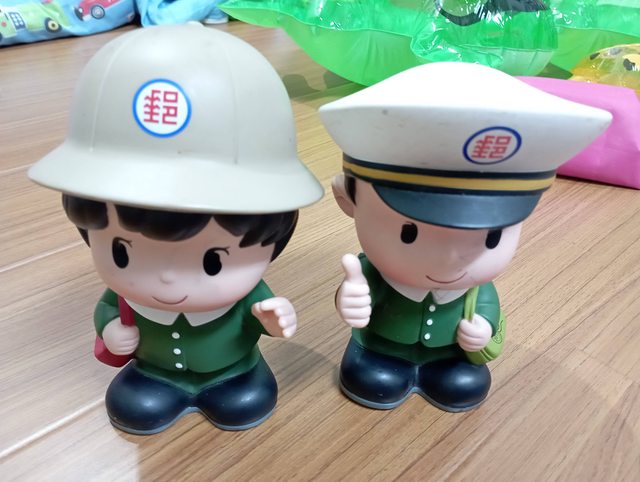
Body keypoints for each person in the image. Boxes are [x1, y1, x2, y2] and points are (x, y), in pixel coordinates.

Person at [28, 24, 323, 434]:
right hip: (153, 372)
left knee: (243, 400)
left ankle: (232, 382)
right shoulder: (126, 298)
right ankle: (158, 382)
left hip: (233, 371)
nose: (167, 279)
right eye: (121, 253)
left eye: (213, 261)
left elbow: (262, 318)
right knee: (136, 405)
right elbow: (107, 312)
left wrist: (274, 320)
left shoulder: (246, 298)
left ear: (275, 233)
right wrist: (111, 331)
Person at [319, 61, 611, 411]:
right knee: (373, 378)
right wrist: (349, 301)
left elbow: (487, 313)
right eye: (409, 232)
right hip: (382, 348)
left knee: (463, 383)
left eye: (491, 238)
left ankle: (443, 369)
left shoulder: (475, 289)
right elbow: (356, 298)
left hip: (450, 355)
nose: (449, 261)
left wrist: (482, 333)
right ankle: (378, 359)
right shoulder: (372, 274)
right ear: (346, 199)